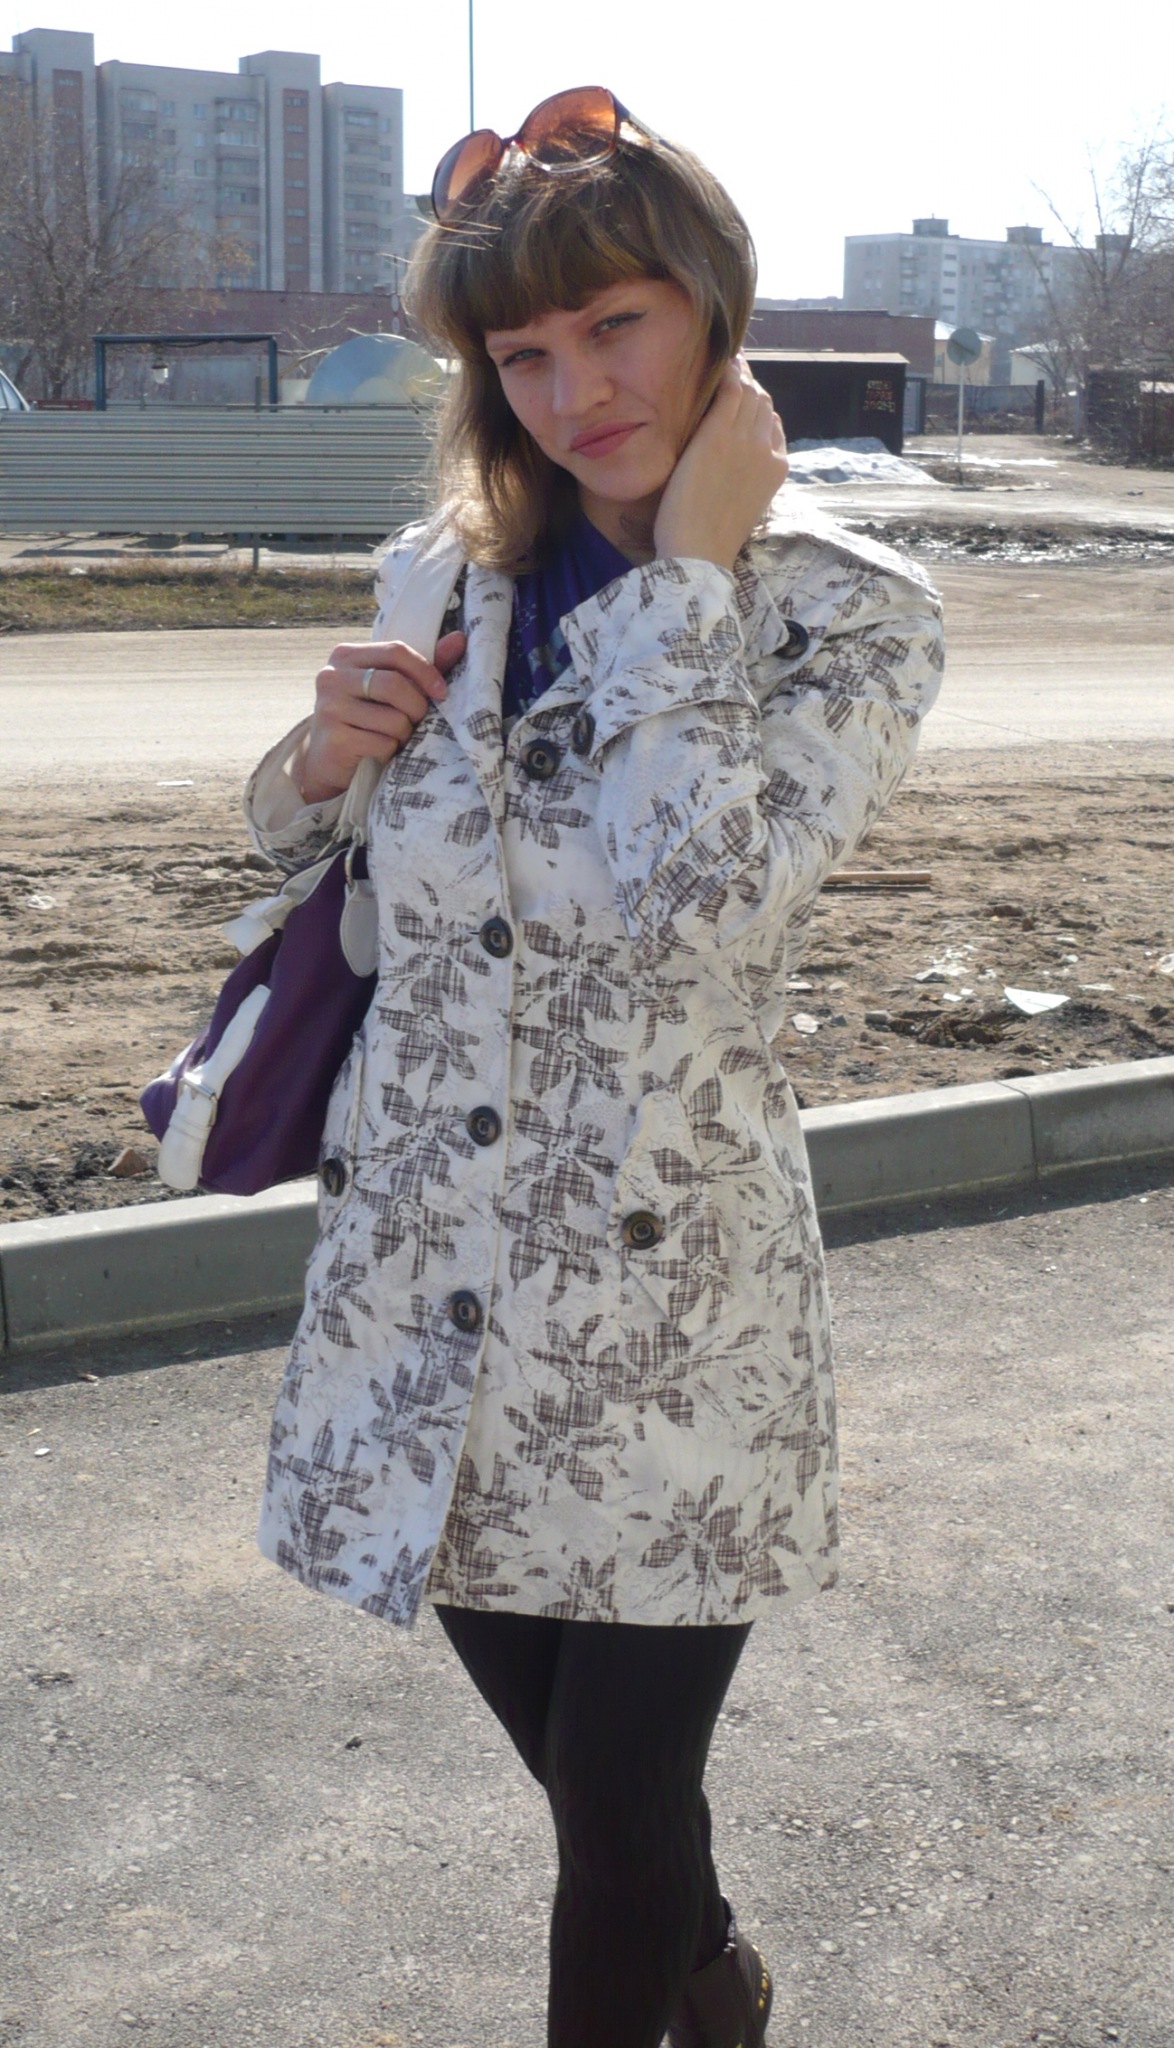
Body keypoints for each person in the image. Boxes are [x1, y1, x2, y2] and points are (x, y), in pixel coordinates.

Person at [244, 86, 943, 2048]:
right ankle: (712, 1980)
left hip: (664, 1310)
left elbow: (697, 909)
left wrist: (686, 579)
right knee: (597, 1799)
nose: (574, 392)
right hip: (426, 1285)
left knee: (618, 1798)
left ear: (712, 307)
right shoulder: (441, 573)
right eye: (524, 354)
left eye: (613, 325)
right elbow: (313, 871)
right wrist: (315, 760)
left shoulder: (843, 613)